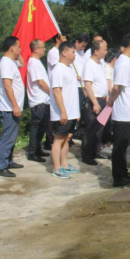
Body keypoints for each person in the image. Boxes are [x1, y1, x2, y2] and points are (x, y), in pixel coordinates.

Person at [107, 30, 130, 187]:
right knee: (119, 147)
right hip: (122, 112)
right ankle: (118, 177)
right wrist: (110, 101)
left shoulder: (128, 61)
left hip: (129, 110)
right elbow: (116, 87)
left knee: (123, 146)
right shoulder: (123, 62)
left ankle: (123, 173)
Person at [49, 41, 81, 179]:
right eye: (73, 52)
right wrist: (63, 111)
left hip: (72, 113)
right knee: (58, 139)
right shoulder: (58, 69)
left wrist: (76, 112)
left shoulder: (69, 68)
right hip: (62, 113)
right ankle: (57, 168)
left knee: (66, 139)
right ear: (64, 52)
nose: (75, 55)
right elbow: (57, 92)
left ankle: (64, 164)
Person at [0, 36, 25, 177]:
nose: (20, 49)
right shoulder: (6, 63)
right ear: (12, 48)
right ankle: (1, 167)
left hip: (13, 107)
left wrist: (18, 55)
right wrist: (15, 105)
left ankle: (8, 161)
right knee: (8, 137)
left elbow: (22, 63)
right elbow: (7, 85)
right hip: (9, 108)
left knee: (12, 136)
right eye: (18, 46)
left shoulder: (11, 62)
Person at [81, 40, 109, 165]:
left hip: (103, 101)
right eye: (104, 49)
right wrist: (95, 103)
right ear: (96, 51)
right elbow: (88, 86)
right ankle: (87, 156)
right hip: (95, 101)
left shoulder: (100, 63)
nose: (106, 52)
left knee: (98, 130)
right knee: (90, 129)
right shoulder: (89, 65)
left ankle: (95, 151)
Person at [26, 39, 51, 163]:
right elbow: (40, 82)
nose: (44, 49)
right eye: (42, 47)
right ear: (36, 49)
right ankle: (32, 152)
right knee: (37, 127)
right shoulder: (33, 63)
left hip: (44, 100)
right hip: (38, 101)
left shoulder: (37, 62)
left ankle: (37, 149)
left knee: (42, 127)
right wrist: (51, 92)